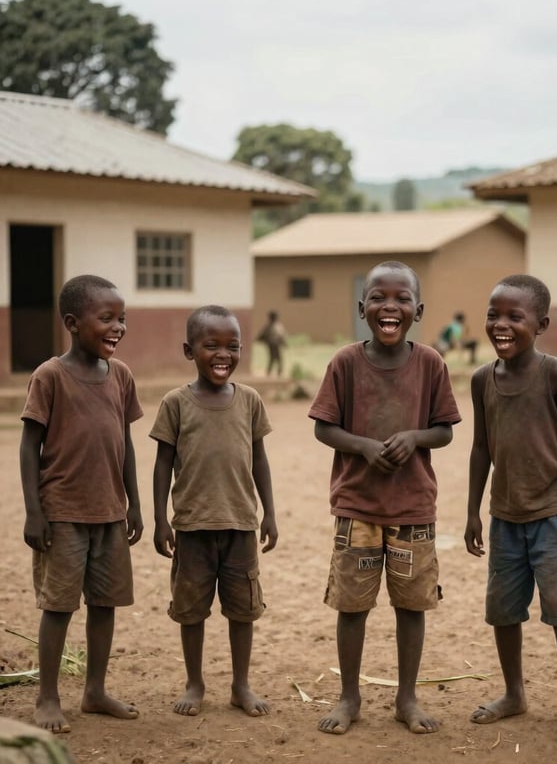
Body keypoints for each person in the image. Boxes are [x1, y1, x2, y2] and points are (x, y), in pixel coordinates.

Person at [309, 260, 461, 735]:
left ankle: (406, 698)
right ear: (362, 308)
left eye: (400, 299)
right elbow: (324, 427)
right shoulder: (345, 363)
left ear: (418, 308)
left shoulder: (431, 362)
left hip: (413, 506)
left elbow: (444, 431)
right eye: (378, 298)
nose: (389, 306)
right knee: (352, 606)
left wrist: (414, 438)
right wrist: (364, 447)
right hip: (357, 507)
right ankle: (349, 697)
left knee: (411, 605)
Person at [464, 274, 557, 744]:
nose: (500, 325)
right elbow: (481, 447)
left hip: (556, 512)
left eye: (513, 317)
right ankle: (513, 692)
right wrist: (472, 511)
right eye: (493, 315)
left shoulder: (556, 373)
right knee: (503, 611)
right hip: (505, 515)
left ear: (541, 324)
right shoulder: (482, 378)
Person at [19, 274, 143, 733]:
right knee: (59, 606)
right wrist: (34, 510)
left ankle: (94, 690)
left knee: (105, 603)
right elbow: (29, 445)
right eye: (106, 318)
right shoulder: (50, 376)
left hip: (110, 511)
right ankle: (48, 696)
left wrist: (134, 503)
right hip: (63, 513)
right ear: (72, 323)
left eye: (122, 318)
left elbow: (125, 442)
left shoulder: (122, 375)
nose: (118, 327)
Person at [151, 305, 278, 718]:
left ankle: (241, 685)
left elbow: (259, 460)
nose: (223, 354)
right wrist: (159, 519)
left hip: (241, 523)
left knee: (243, 609)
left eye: (233, 346)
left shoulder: (250, 401)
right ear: (190, 351)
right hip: (192, 526)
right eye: (212, 346)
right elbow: (162, 464)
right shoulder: (175, 403)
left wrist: (270, 514)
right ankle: (195, 682)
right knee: (191, 609)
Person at [257, 310, 287, 377]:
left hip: (276, 344)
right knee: (273, 358)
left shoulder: (277, 325)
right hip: (272, 344)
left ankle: (278, 371)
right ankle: (270, 371)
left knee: (278, 358)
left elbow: (281, 335)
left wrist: (284, 342)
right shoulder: (270, 326)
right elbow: (262, 335)